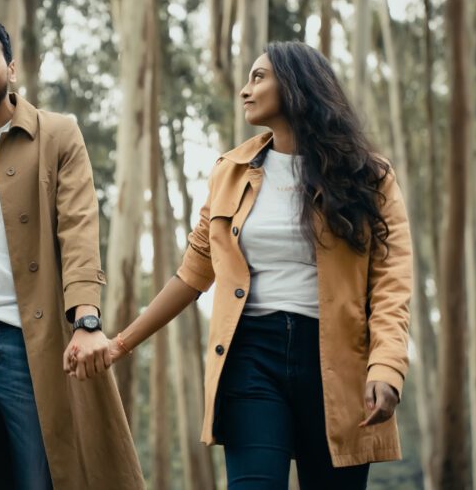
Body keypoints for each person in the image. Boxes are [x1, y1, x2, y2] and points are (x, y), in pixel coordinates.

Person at [71, 41, 412, 489]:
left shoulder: (370, 176)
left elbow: (391, 283)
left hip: (339, 364)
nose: (245, 90)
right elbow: (192, 275)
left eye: (258, 77)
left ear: (295, 86)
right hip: (251, 356)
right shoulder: (229, 172)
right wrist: (119, 343)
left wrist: (386, 368)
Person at [0, 12, 143, 489]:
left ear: (11, 69)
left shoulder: (57, 134)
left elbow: (78, 230)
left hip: (34, 346)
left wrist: (87, 321)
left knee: (41, 478)